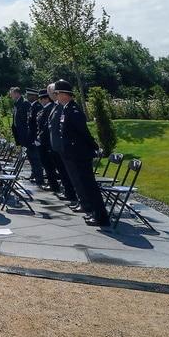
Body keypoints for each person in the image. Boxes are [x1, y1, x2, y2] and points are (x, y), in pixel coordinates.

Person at [52, 80, 110, 227]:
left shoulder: (74, 111)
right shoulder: (66, 109)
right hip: (74, 154)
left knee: (90, 186)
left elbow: (83, 133)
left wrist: (95, 147)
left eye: (58, 94)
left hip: (80, 155)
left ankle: (101, 217)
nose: (56, 97)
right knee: (84, 186)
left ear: (65, 95)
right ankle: (94, 214)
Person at [35, 87, 73, 201]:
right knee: (61, 170)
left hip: (58, 144)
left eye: (52, 92)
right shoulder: (55, 106)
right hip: (52, 143)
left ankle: (70, 194)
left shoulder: (59, 107)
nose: (52, 94)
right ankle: (68, 192)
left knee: (64, 171)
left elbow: (53, 127)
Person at [20, 88, 45, 184]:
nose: (27, 97)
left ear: (34, 96)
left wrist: (35, 139)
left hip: (34, 138)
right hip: (30, 138)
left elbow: (36, 125)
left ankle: (39, 179)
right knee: (32, 158)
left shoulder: (37, 107)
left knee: (36, 160)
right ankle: (34, 175)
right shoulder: (32, 107)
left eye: (29, 95)